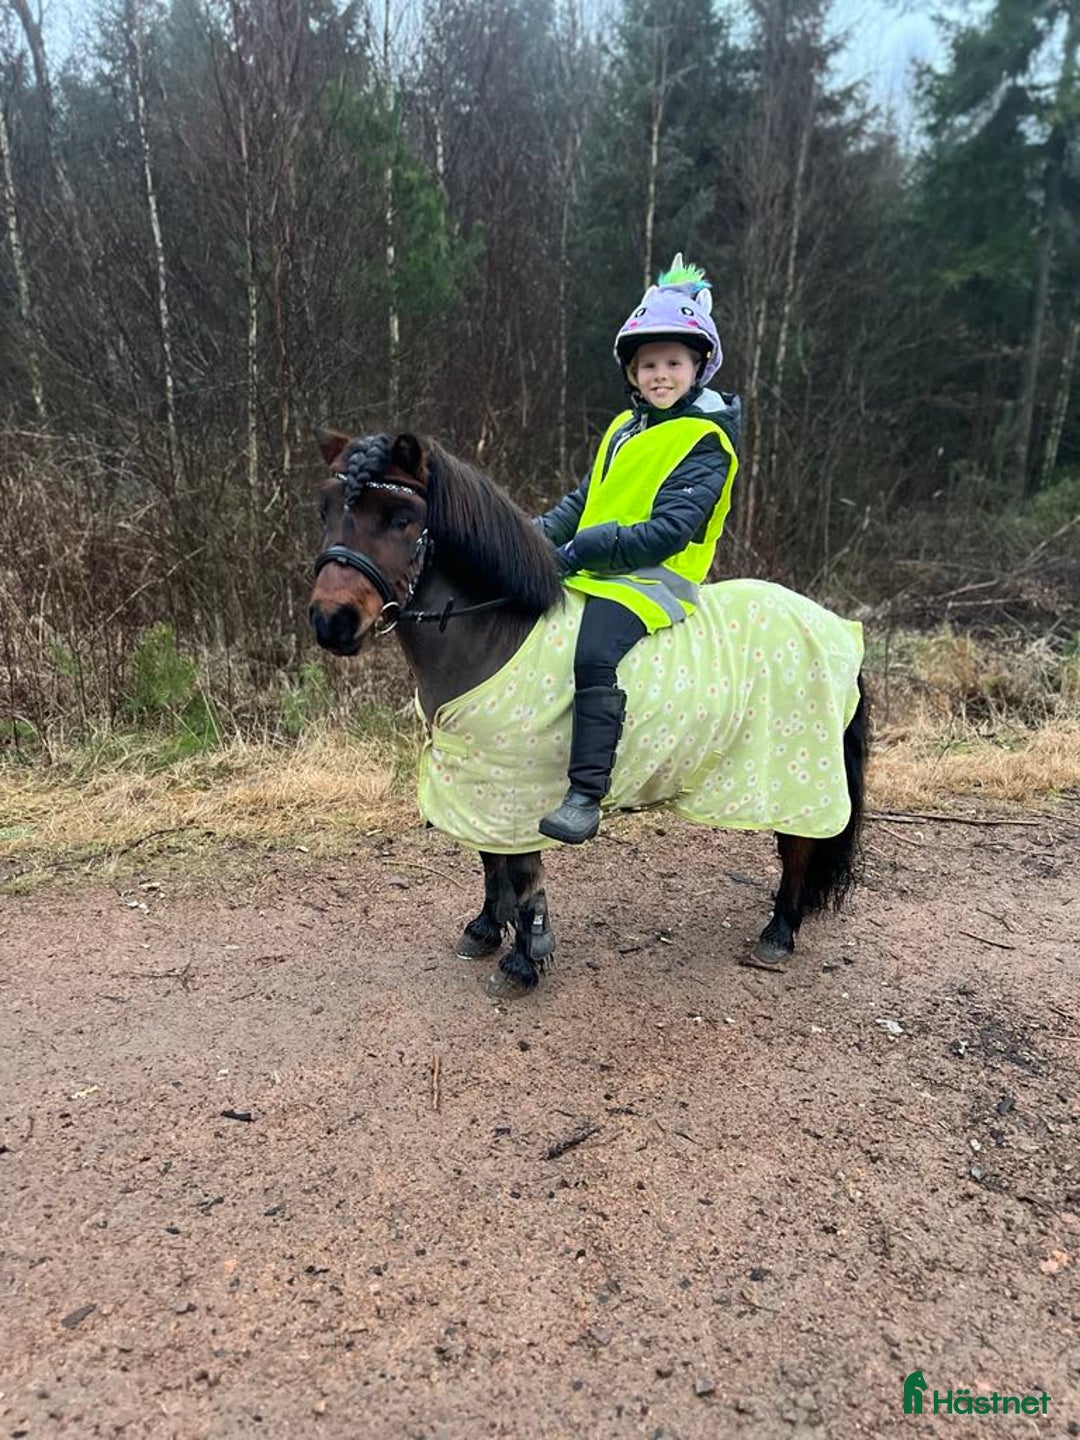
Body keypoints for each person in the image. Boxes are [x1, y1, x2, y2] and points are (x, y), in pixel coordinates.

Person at [536, 255, 741, 844]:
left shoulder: (705, 440)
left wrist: (581, 550)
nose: (660, 375)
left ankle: (585, 794)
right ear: (632, 372)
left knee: (594, 651)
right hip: (597, 566)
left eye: (673, 362)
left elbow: (669, 532)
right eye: (648, 364)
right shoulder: (624, 429)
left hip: (652, 579)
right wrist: (531, 536)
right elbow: (584, 500)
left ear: (698, 367)